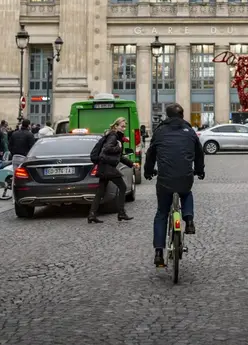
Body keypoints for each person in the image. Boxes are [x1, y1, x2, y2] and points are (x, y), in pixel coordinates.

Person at [144, 104, 204, 268]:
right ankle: (189, 220)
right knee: (186, 193)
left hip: (164, 179)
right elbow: (199, 153)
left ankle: (158, 253)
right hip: (185, 177)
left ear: (167, 115)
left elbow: (151, 154)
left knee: (162, 213)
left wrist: (148, 171)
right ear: (182, 115)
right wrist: (199, 171)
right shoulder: (190, 131)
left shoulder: (160, 131)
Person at [87, 117, 135, 224]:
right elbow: (107, 148)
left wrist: (132, 164)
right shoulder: (113, 136)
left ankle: (92, 215)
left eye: (125, 126)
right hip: (108, 167)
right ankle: (121, 213)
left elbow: (120, 157)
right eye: (122, 126)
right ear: (116, 126)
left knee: (100, 192)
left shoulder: (115, 136)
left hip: (104, 167)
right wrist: (118, 147)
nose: (124, 128)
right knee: (122, 187)